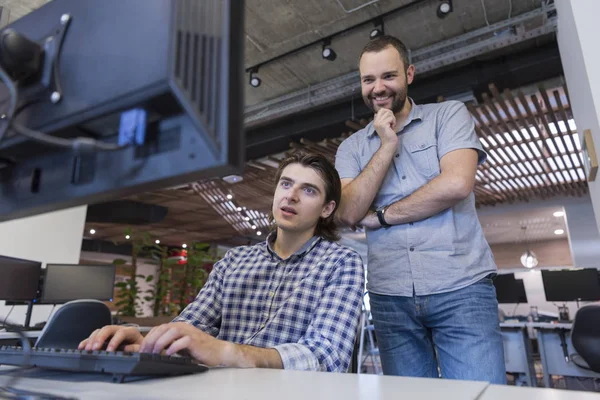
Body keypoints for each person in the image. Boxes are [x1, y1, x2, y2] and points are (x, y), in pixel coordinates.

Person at [79, 153, 365, 372]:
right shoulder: (234, 261)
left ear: (327, 209)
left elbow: (326, 357)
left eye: (308, 190)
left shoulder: (341, 264)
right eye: (286, 184)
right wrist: (143, 340)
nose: (291, 195)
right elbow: (190, 326)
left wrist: (228, 352)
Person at [334, 35, 505, 383]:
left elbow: (456, 183)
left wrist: (382, 216)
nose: (378, 88)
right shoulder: (351, 148)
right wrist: (386, 145)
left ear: (409, 74)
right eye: (368, 80)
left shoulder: (448, 116)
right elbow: (348, 213)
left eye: (388, 76)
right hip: (390, 295)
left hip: (461, 286)